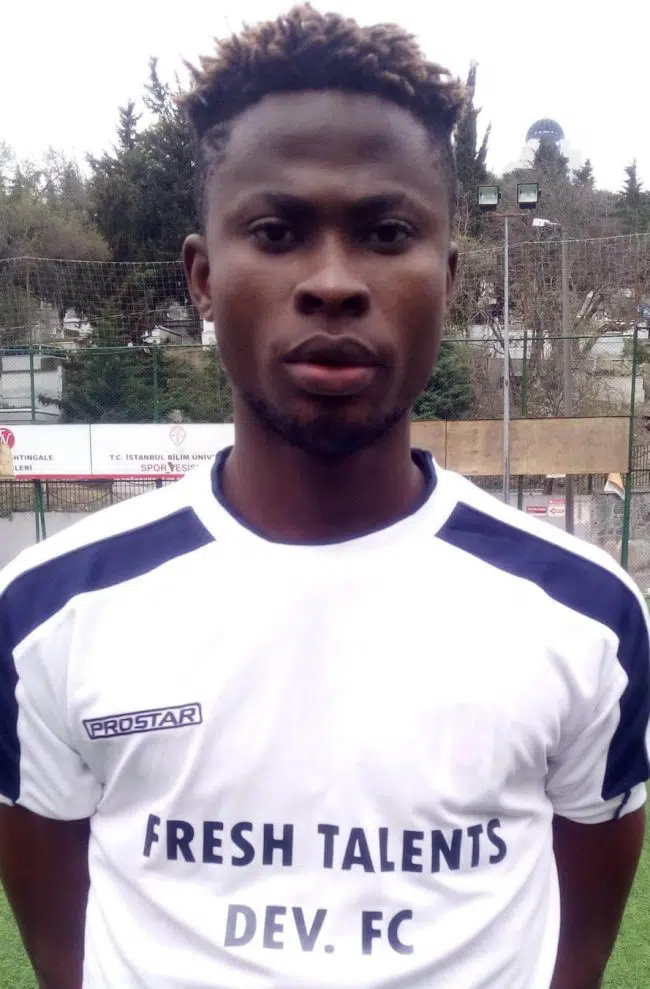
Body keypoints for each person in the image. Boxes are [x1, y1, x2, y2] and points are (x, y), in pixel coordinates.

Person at [0, 6, 648, 988]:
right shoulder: (54, 610)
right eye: (277, 231)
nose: (333, 283)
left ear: (447, 276)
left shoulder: (585, 613)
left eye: (386, 233)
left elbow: (579, 950)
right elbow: (64, 952)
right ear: (203, 276)